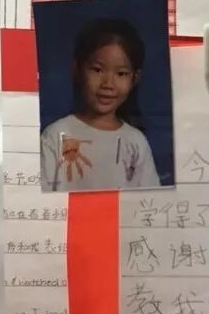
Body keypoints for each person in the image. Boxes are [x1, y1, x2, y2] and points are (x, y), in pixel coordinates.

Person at [41, 17, 161, 192]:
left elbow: (151, 199)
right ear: (77, 69)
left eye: (121, 73)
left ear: (135, 78)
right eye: (97, 70)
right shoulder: (55, 135)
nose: (108, 84)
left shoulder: (136, 142)